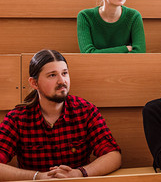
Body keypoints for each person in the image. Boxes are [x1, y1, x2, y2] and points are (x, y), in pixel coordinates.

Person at [0, 49, 121, 180]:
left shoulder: (85, 110)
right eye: (52, 75)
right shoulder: (17, 118)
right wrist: (38, 177)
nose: (61, 81)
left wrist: (79, 173)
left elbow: (113, 155)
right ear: (34, 83)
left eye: (64, 73)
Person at [77, 0, 146, 53]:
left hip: (128, 66)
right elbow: (88, 54)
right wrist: (124, 49)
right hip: (95, 66)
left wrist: (99, 52)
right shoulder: (85, 16)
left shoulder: (134, 16)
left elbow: (139, 53)